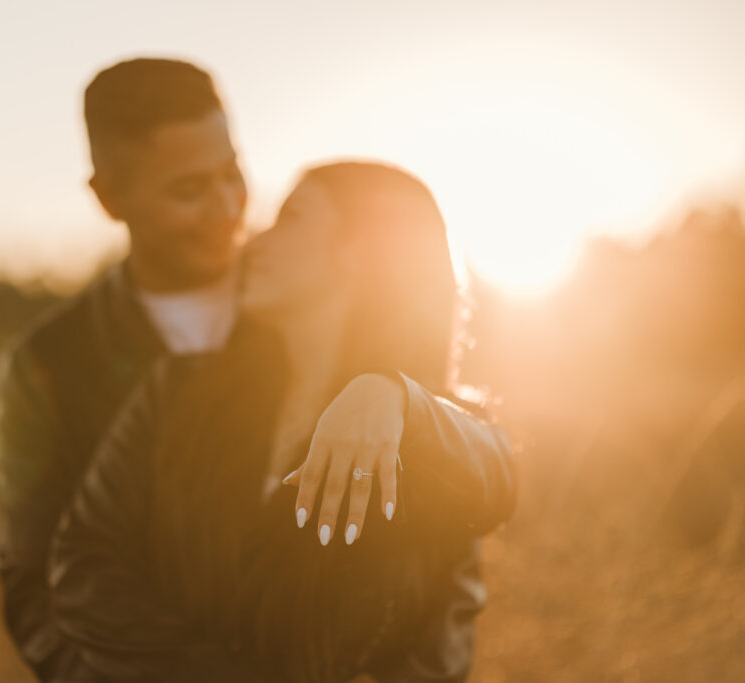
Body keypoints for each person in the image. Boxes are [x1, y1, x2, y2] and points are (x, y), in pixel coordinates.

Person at [0, 58, 464, 682]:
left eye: (233, 175)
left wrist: (396, 395)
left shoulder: (306, 304)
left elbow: (449, 548)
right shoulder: (49, 366)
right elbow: (41, 583)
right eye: (188, 190)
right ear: (110, 198)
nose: (227, 210)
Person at [50, 161, 516, 682]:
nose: (252, 243)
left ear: (358, 255)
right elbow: (84, 565)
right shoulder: (174, 394)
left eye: (290, 219)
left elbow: (496, 473)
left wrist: (395, 398)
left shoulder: (423, 442)